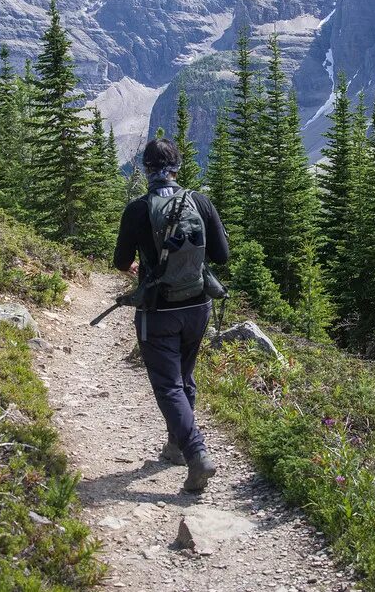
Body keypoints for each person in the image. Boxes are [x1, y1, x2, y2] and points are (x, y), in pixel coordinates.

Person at [113, 137, 229, 492]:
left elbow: (120, 262)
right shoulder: (199, 201)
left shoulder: (137, 208)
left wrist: (137, 266)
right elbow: (222, 256)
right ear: (177, 167)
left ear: (146, 169)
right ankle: (176, 447)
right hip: (198, 306)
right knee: (185, 377)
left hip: (159, 311)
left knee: (168, 386)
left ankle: (196, 454)